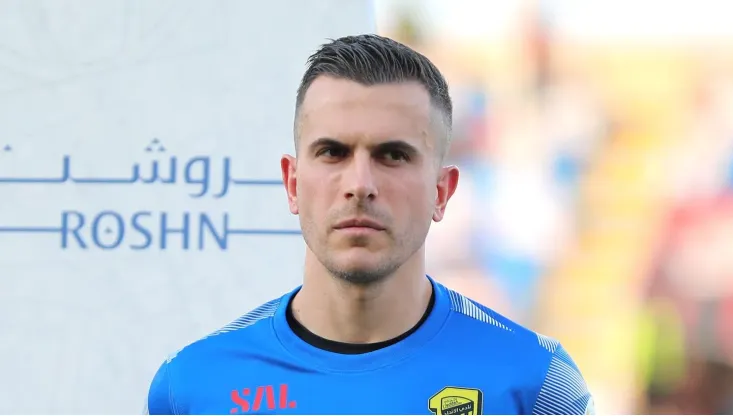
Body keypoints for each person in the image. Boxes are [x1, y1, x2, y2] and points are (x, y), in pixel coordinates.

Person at [145, 34, 594, 415]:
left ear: (442, 192)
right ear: (292, 183)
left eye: (392, 155)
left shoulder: (534, 384)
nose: (360, 185)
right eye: (333, 153)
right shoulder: (192, 387)